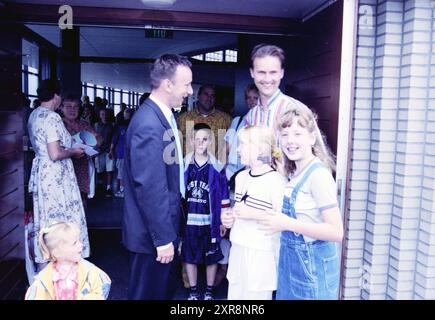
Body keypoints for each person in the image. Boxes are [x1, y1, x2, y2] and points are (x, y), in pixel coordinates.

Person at [122, 53, 193, 300]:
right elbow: (150, 188)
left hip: (162, 229)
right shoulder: (149, 124)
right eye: (186, 84)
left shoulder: (162, 115)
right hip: (153, 236)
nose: (190, 91)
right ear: (168, 84)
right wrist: (163, 239)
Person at [255, 105, 343, 300]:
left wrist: (287, 224)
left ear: (311, 138)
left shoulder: (318, 175)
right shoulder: (295, 173)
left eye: (297, 134)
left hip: (311, 271)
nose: (290, 141)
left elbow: (336, 232)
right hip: (291, 268)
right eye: (285, 135)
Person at [26, 79, 90, 282]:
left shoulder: (34, 114)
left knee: (46, 221)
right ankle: (65, 272)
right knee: (63, 221)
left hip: (42, 173)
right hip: (56, 175)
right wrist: (74, 151)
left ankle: (45, 272)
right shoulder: (52, 117)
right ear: (55, 95)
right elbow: (55, 153)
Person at [221, 125, 287, 300]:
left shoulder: (277, 181)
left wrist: (253, 213)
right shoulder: (241, 177)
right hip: (238, 248)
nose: (237, 149)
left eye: (242, 144)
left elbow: (284, 220)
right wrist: (228, 218)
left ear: (258, 148)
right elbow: (238, 211)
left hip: (261, 253)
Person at [181, 123, 230, 300]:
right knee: (190, 257)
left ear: (210, 141)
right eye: (197, 139)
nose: (201, 143)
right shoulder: (184, 164)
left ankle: (208, 291)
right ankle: (193, 292)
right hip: (189, 221)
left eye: (205, 139)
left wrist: (223, 219)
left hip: (210, 221)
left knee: (211, 257)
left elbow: (224, 194)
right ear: (191, 141)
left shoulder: (217, 166)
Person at [25, 222, 111, 300]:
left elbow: (103, 283)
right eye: (74, 243)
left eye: (79, 241)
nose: (81, 245)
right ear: (58, 253)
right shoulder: (46, 277)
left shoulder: (87, 269)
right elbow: (34, 296)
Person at [244, 44, 308, 139]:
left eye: (273, 72)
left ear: (281, 73)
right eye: (261, 72)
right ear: (252, 73)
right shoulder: (250, 116)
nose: (267, 79)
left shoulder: (297, 110)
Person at [62, 94, 102, 209]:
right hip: (64, 168)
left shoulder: (84, 124)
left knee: (81, 199)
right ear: (61, 107)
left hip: (82, 168)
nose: (72, 110)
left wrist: (96, 142)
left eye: (76, 107)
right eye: (68, 106)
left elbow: (98, 137)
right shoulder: (58, 124)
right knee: (65, 200)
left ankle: (81, 226)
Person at [177, 85, 232, 160]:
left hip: (215, 168)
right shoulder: (183, 119)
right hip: (189, 167)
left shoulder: (226, 120)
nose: (209, 98)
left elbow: (231, 146)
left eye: (212, 96)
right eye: (206, 94)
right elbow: (176, 146)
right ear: (198, 96)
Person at [109, 108, 133, 198]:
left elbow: (114, 140)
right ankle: (124, 189)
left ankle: (124, 190)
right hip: (122, 153)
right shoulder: (120, 127)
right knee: (122, 172)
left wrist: (111, 149)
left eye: (128, 114)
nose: (127, 116)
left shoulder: (128, 126)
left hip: (127, 154)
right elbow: (114, 139)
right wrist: (111, 150)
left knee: (124, 172)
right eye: (126, 114)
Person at [94, 108, 114, 197]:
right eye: (102, 114)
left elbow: (114, 139)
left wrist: (111, 150)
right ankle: (100, 185)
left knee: (109, 170)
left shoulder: (112, 125)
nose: (104, 116)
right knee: (99, 170)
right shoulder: (96, 125)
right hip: (99, 150)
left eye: (106, 114)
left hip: (108, 150)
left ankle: (108, 188)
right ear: (99, 115)